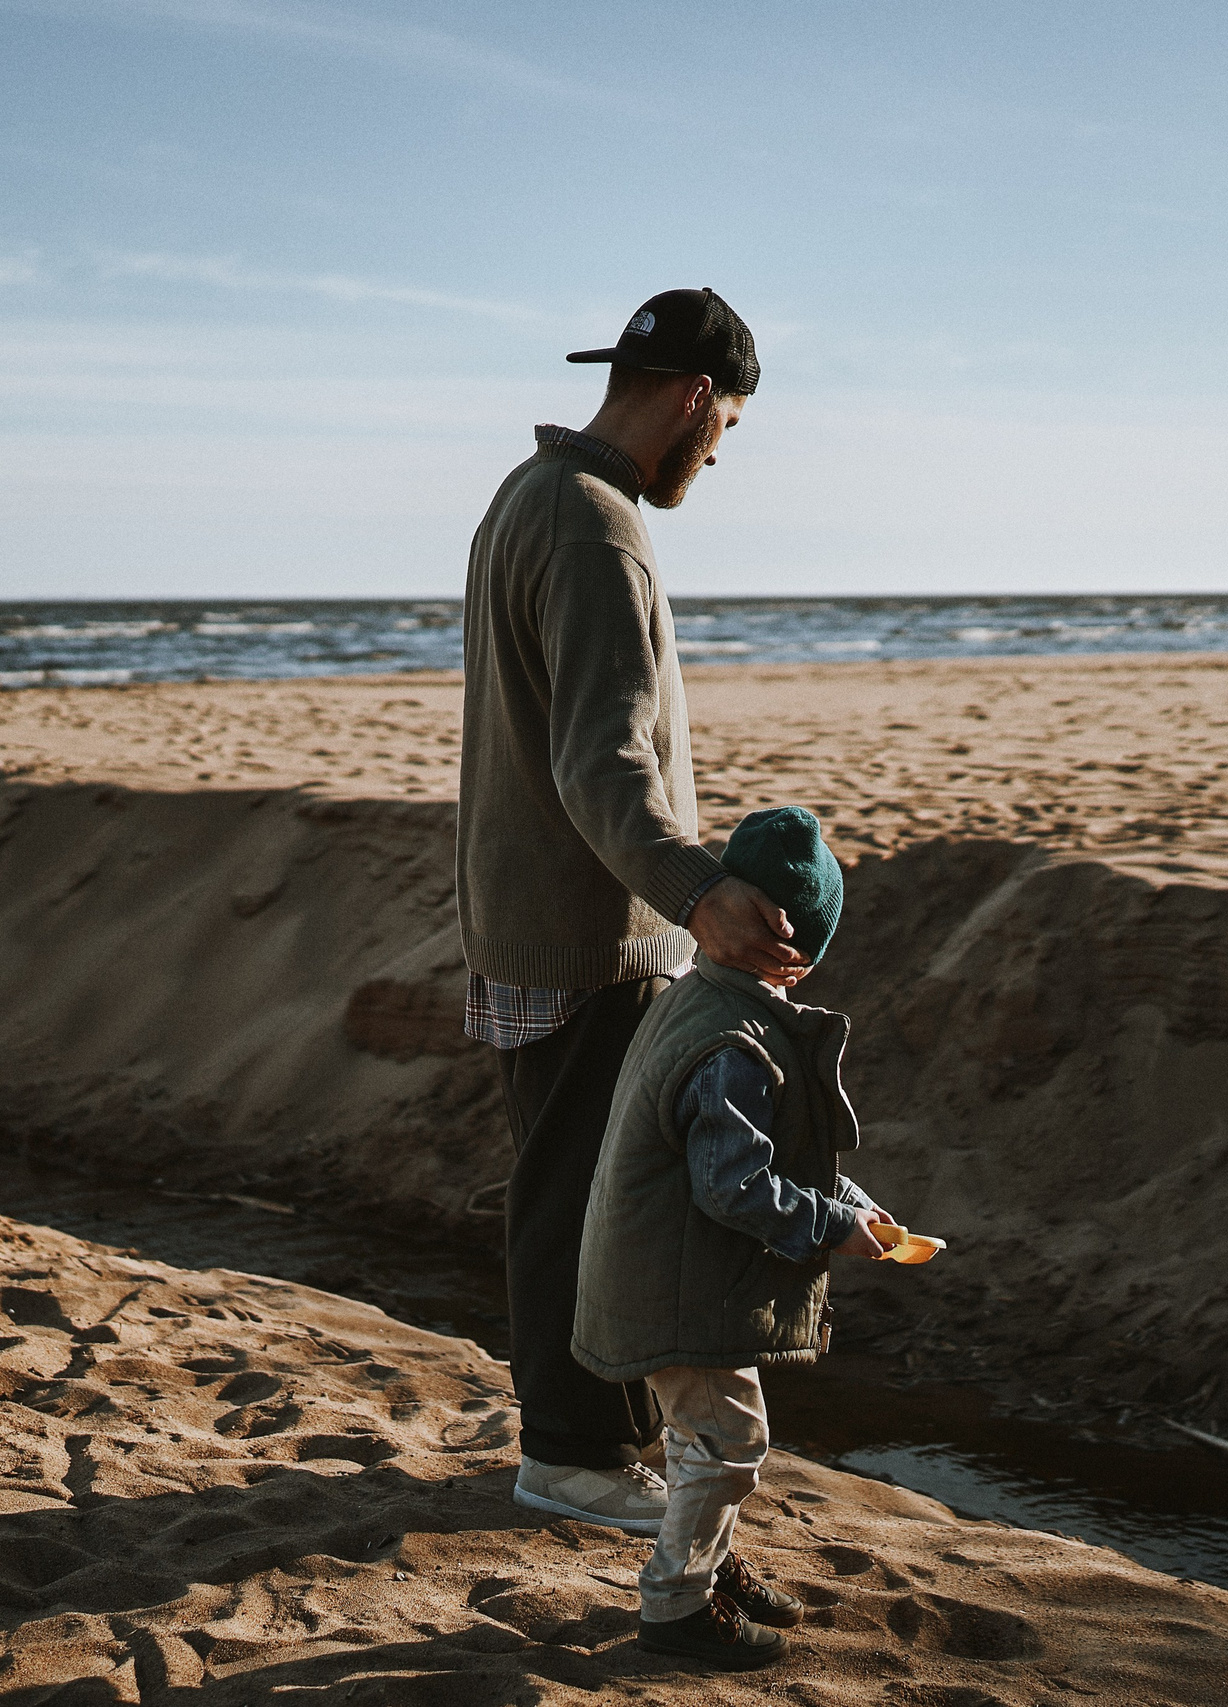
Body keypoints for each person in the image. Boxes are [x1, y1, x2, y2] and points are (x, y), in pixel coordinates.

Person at [458, 288, 806, 1535]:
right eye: (728, 429)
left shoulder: (529, 493)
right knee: (582, 1203)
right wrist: (699, 894)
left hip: (536, 909)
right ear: (697, 398)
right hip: (585, 929)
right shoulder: (596, 523)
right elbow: (600, 762)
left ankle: (590, 1444)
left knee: (569, 1185)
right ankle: (573, 1457)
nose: (718, 454)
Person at [572, 805, 893, 1670]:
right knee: (731, 1443)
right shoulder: (736, 1045)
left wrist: (851, 1202)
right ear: (798, 949)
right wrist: (833, 1228)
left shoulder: (703, 997)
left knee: (703, 1437)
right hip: (678, 1290)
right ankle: (676, 1603)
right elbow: (734, 1186)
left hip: (666, 1274)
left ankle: (708, 1565)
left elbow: (764, 1156)